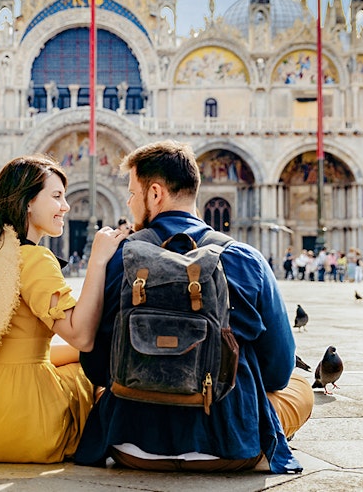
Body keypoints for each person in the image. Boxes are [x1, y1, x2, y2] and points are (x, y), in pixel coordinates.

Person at [75, 140, 309, 473]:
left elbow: (97, 368)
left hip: (132, 446)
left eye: (131, 194)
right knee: (300, 387)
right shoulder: (247, 259)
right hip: (230, 449)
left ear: (155, 194)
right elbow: (278, 370)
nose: (128, 204)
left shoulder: (117, 259)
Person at [0, 155, 127, 463]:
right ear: (27, 202)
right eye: (56, 196)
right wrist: (97, 260)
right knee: (86, 372)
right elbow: (81, 337)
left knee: (73, 358)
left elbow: (16, 345)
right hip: (21, 421)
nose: (66, 206)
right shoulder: (34, 259)